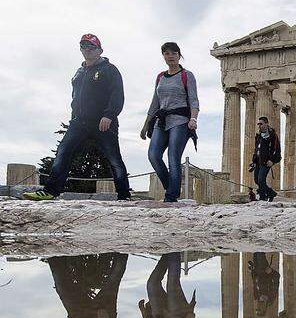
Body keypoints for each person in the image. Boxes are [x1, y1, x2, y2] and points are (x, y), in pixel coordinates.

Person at [24, 34, 131, 201]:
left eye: (91, 47)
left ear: (100, 50)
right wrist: (74, 116)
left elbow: (117, 95)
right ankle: (50, 191)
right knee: (64, 152)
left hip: (103, 122)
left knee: (114, 158)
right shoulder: (79, 71)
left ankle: (124, 195)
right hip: (79, 122)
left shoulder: (110, 70)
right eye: (84, 46)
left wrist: (109, 115)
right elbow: (75, 97)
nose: (87, 50)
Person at [140, 42, 199, 203]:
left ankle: (170, 196)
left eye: (173, 53)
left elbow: (193, 100)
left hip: (180, 120)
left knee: (173, 157)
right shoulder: (160, 76)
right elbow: (155, 102)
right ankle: (172, 187)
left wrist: (193, 119)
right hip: (161, 120)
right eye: (166, 53)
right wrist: (146, 124)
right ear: (163, 56)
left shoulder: (187, 75)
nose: (170, 56)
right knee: (153, 155)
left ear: (179, 55)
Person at [251, 116, 281, 201]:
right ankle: (271, 193)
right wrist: (253, 161)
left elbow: (277, 150)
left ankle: (263, 197)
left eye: (261, 124)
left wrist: (272, 161)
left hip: (266, 161)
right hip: (258, 161)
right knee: (257, 180)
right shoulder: (258, 136)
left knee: (261, 179)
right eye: (258, 124)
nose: (259, 125)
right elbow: (257, 150)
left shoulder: (273, 136)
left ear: (266, 123)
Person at [248, 252, 280, 317]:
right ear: (264, 309)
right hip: (264, 270)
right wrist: (272, 271)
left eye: (257, 309)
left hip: (257, 270)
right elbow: (277, 279)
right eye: (259, 309)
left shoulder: (256, 296)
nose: (258, 307)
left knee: (255, 253)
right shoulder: (271, 297)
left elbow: (255, 282)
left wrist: (252, 270)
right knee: (260, 253)